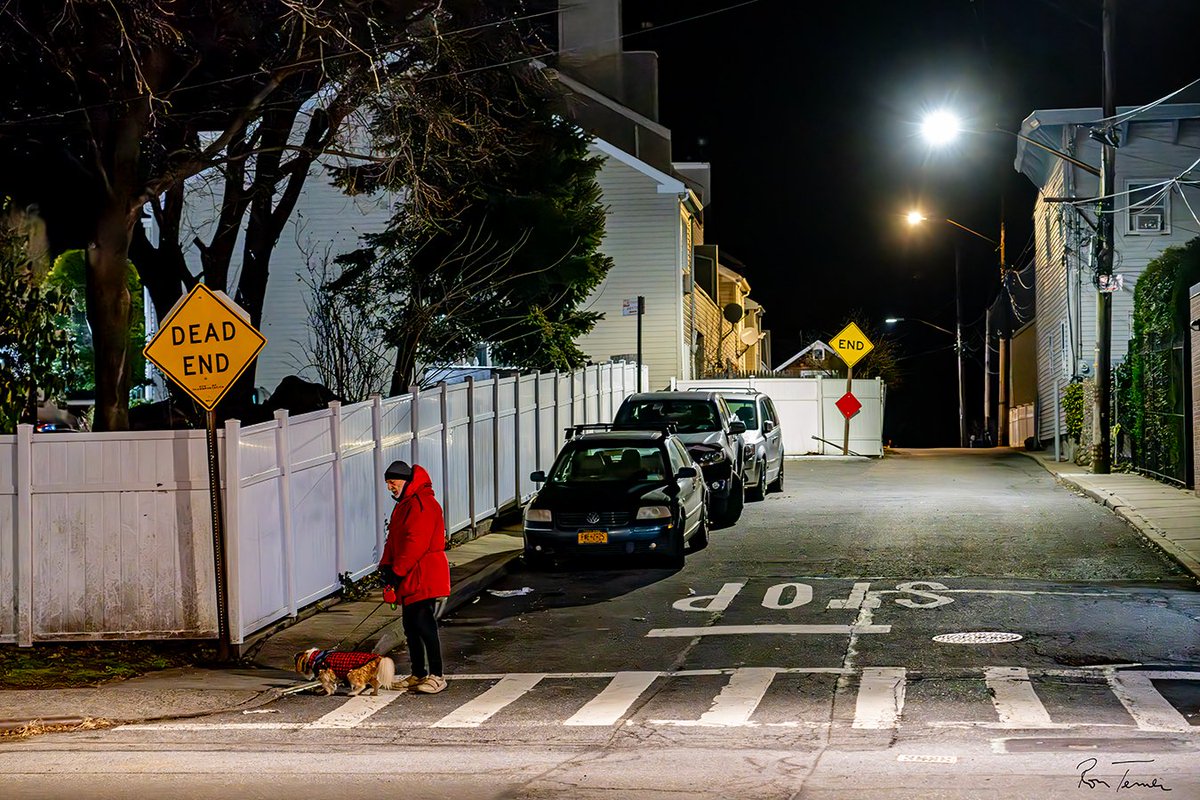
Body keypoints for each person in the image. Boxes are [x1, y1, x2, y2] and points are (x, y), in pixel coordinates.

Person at [380, 460, 451, 694]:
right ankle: (419, 673)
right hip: (412, 574)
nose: (390, 487)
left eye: (393, 482)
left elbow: (415, 543)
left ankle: (437, 676)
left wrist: (396, 571)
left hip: (424, 573)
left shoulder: (422, 504)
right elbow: (394, 540)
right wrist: (386, 568)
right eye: (388, 483)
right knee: (410, 626)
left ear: (406, 480)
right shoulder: (405, 504)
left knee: (424, 623)